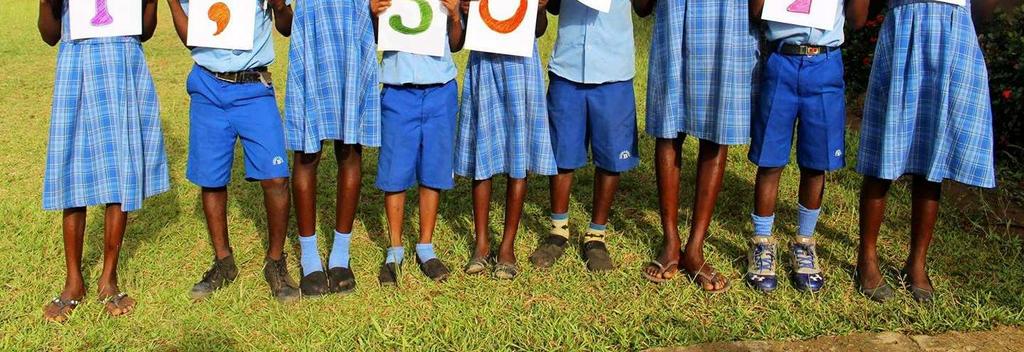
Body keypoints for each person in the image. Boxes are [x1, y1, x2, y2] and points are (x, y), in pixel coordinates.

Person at [855, 0, 998, 303]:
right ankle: (866, 258)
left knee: (934, 152)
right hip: (906, 24)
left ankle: (916, 264)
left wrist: (968, 21)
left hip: (954, 30)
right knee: (885, 152)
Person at [39, 0, 168, 322]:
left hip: (124, 70)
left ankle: (108, 278)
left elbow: (145, 31)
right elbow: (49, 35)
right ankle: (73, 281)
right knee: (74, 173)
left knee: (120, 173)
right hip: (76, 70)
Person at [166, 0, 299, 303]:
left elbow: (287, 26)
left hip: (254, 86)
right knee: (211, 179)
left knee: (276, 178)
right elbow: (190, 37)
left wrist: (279, 6)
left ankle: (276, 261)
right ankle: (223, 261)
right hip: (207, 85)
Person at [741, 0, 869, 293]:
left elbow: (858, 19)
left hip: (824, 63)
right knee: (770, 159)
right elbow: (757, 11)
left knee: (815, 161)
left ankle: (805, 242)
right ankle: (762, 242)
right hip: (781, 60)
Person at [637, 0, 758, 292]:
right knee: (669, 129)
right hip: (675, 17)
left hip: (727, 19)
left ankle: (695, 246)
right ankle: (671, 240)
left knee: (716, 132)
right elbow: (641, 7)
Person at [528, 0, 640, 273]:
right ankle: (558, 230)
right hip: (568, 66)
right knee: (562, 155)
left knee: (611, 159)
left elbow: (643, 7)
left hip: (614, 69)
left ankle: (596, 235)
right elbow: (552, 7)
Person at [285, 0, 381, 296]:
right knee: (306, 151)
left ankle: (341, 252)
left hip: (354, 35)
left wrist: (377, 11)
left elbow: (384, 20)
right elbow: (284, 20)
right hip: (311, 37)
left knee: (349, 149)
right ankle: (309, 255)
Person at [457, 0, 556, 279]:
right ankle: (481, 243)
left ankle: (507, 246)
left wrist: (538, 8)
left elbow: (539, 29)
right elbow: (462, 33)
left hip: (521, 66)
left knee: (518, 156)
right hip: (484, 64)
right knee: (483, 154)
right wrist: (466, 10)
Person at [369, 0, 464, 286]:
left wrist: (455, 14)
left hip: (440, 88)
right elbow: (376, 37)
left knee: (433, 170)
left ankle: (425, 246)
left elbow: (457, 44)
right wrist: (375, 15)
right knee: (395, 171)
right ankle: (395, 248)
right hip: (398, 90)